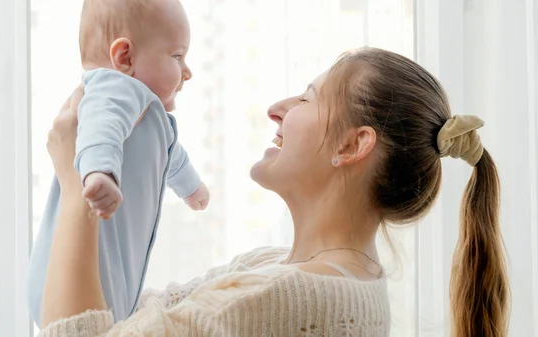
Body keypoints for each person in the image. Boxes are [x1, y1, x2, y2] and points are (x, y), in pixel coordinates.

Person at [38, 47, 509, 337]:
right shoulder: (281, 269)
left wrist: (75, 188)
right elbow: (132, 315)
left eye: (307, 98)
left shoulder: (284, 296)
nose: (276, 109)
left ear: (352, 145)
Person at [28, 0, 210, 326]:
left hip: (112, 274)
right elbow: (100, 130)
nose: (187, 71)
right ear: (124, 58)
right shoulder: (113, 89)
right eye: (177, 56)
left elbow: (173, 156)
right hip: (76, 268)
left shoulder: (153, 116)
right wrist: (100, 172)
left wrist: (191, 186)